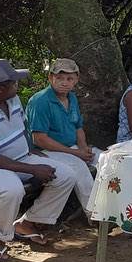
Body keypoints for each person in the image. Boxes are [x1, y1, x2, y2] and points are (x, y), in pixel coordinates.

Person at [0, 59, 78, 262]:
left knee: (66, 175)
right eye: (14, 82)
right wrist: (32, 169)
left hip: (19, 159)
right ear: (0, 88)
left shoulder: (13, 100)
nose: (18, 85)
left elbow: (23, 130)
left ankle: (26, 223)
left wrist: (33, 152)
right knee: (11, 189)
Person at [26, 58, 102, 216]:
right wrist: (76, 153)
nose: (64, 82)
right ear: (50, 78)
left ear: (76, 80)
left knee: (106, 160)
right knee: (78, 166)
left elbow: (78, 126)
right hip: (44, 152)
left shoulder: (72, 98)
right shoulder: (40, 101)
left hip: (71, 149)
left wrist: (83, 148)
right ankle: (95, 215)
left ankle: (114, 206)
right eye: (59, 78)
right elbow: (39, 139)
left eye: (69, 78)